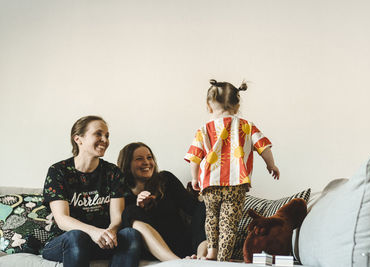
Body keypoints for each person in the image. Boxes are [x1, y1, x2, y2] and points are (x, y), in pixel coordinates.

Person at [184, 79, 280, 261]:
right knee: (229, 222)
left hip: (210, 184)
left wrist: (195, 178)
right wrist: (271, 165)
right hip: (236, 183)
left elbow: (195, 157)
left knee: (211, 218)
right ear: (237, 106)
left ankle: (211, 252)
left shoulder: (204, 129)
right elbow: (264, 147)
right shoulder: (247, 126)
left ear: (208, 106)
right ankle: (224, 257)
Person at [42, 115, 142, 267]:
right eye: (98, 134)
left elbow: (117, 217)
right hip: (66, 242)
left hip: (103, 240)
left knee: (130, 234)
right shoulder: (58, 171)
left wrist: (110, 232)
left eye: (107, 136)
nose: (105, 140)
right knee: (76, 236)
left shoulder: (112, 172)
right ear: (78, 139)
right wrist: (94, 232)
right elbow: (62, 219)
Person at [118, 142, 207, 261]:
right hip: (154, 249)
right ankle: (176, 263)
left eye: (149, 157)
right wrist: (138, 206)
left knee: (203, 206)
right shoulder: (121, 193)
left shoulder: (165, 180)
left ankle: (202, 257)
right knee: (130, 211)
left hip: (183, 242)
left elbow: (193, 207)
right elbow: (121, 226)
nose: (146, 162)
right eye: (139, 159)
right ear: (127, 164)